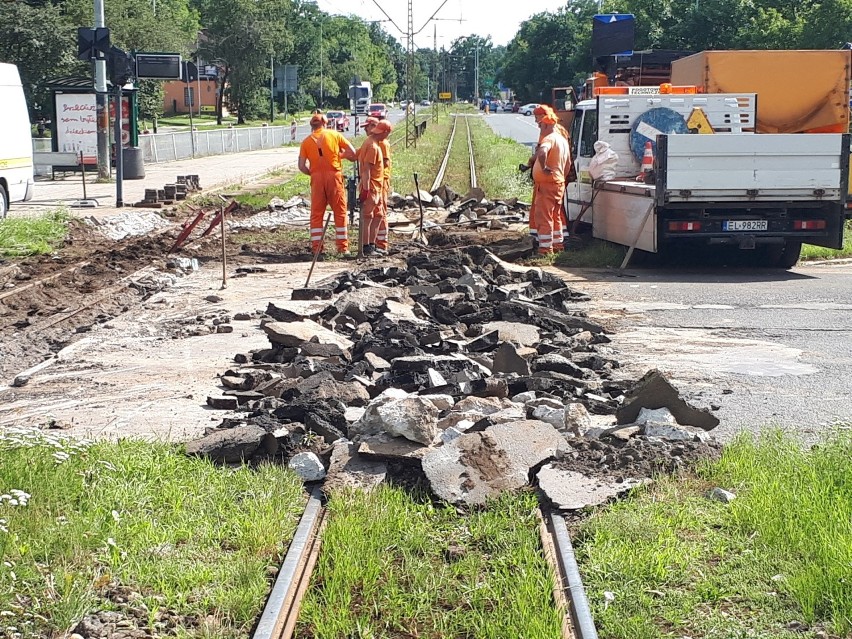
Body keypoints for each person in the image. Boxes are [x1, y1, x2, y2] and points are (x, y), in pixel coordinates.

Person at [298, 113, 358, 255]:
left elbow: (301, 166)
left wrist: (313, 173)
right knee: (340, 212)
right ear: (325, 123)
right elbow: (353, 152)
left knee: (317, 214)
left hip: (316, 179)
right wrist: (339, 155)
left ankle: (317, 249)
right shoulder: (334, 135)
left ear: (312, 126)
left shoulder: (306, 142)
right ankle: (343, 248)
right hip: (334, 177)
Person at [532, 109, 572, 255]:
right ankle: (557, 245)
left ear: (547, 125)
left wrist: (544, 167)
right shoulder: (563, 140)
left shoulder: (549, 138)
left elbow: (542, 152)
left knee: (544, 216)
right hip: (558, 183)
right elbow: (567, 164)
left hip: (547, 184)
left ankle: (545, 249)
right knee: (555, 215)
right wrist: (561, 177)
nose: (539, 127)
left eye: (541, 124)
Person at [357, 119, 392, 256]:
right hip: (372, 187)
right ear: (384, 132)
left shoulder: (376, 144)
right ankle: (366, 247)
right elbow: (366, 170)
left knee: (378, 215)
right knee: (368, 217)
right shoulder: (372, 146)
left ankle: (372, 245)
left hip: (377, 186)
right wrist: (365, 190)